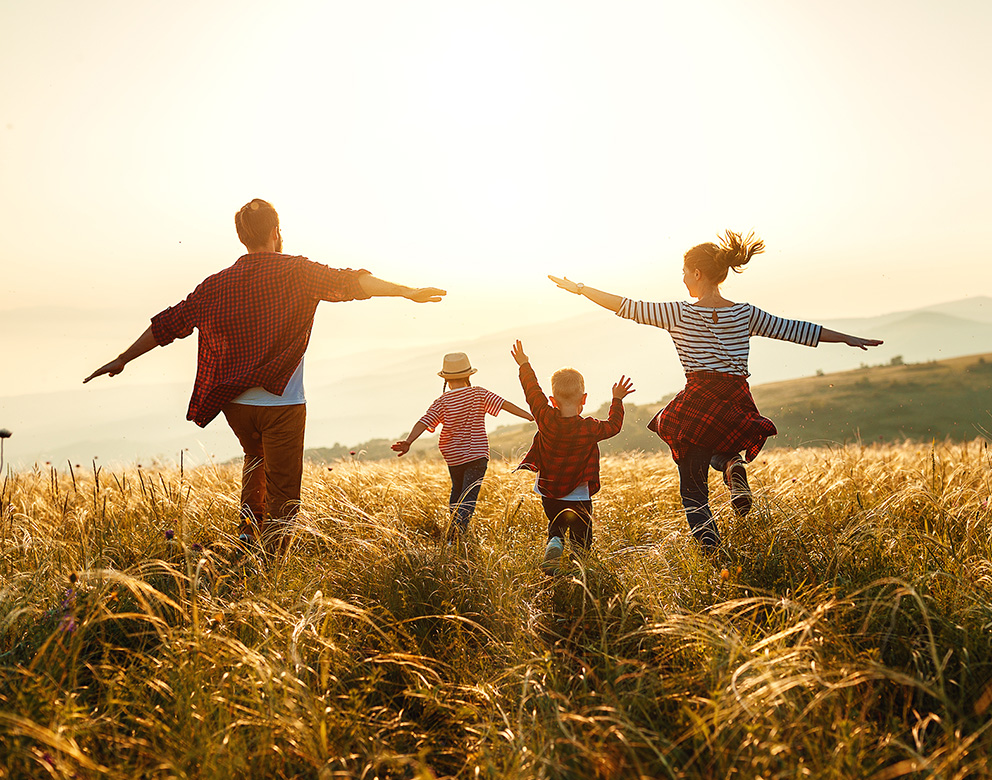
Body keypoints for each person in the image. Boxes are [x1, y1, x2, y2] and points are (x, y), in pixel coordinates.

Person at [84, 198, 445, 552]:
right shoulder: (297, 271)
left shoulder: (216, 284)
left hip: (235, 405)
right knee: (284, 490)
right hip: (282, 404)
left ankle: (247, 536)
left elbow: (169, 324)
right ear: (276, 231)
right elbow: (351, 282)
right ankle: (271, 564)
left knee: (255, 460)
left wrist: (122, 358)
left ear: (242, 237)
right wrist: (406, 291)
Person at [549, 230, 882, 553]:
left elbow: (625, 305)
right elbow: (796, 330)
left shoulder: (678, 312)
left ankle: (712, 552)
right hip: (736, 398)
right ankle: (731, 465)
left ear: (696, 272)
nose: (681, 279)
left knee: (693, 489)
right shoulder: (745, 313)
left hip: (698, 397)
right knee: (717, 446)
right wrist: (848, 338)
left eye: (683, 272)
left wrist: (580, 289)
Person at [510, 339, 634, 574]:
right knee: (581, 536)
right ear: (584, 399)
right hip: (579, 494)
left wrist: (524, 364)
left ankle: (555, 541)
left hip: (549, 490)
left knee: (556, 523)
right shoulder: (589, 428)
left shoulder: (545, 417)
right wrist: (617, 400)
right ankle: (579, 568)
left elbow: (532, 391)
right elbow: (614, 426)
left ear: (553, 400)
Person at [392, 352, 534, 537]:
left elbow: (424, 421)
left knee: (457, 491)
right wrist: (530, 416)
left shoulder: (442, 401)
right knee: (469, 496)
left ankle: (453, 532)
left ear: (446, 379)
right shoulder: (479, 393)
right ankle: (457, 535)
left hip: (453, 456)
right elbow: (504, 404)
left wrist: (409, 441)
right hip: (477, 454)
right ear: (468, 375)